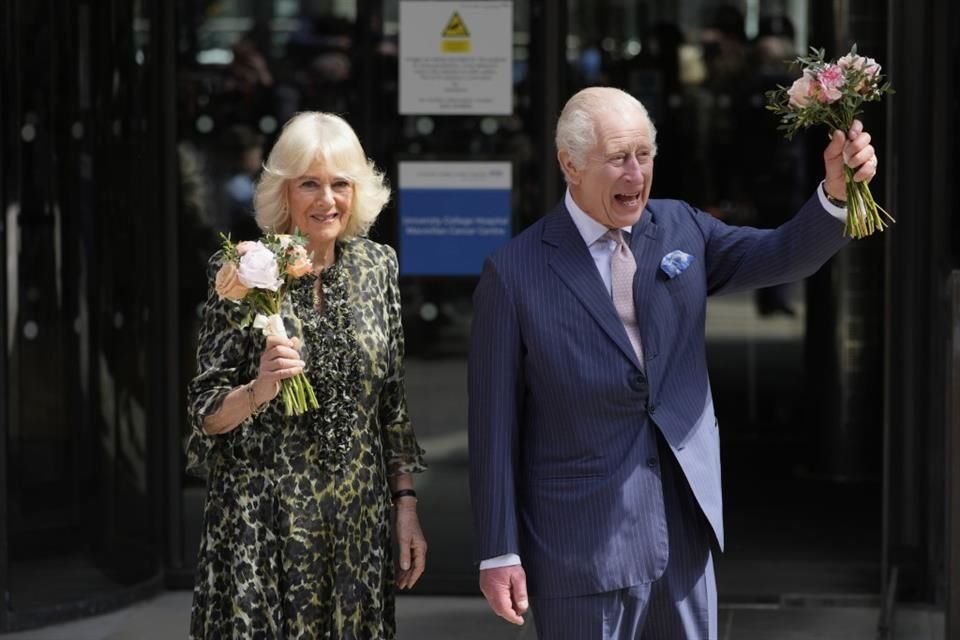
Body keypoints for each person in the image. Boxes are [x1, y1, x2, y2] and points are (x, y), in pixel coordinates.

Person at [468, 86, 878, 639]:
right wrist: (499, 551)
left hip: (682, 525)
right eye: (618, 158)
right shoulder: (514, 272)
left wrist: (835, 195)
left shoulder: (680, 227)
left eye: (644, 154)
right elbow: (493, 426)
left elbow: (783, 254)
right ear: (570, 164)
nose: (636, 174)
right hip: (580, 541)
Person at [186, 111, 427, 639]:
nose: (327, 200)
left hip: (357, 523)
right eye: (309, 184)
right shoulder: (245, 272)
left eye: (341, 184)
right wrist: (259, 389)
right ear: (284, 192)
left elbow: (392, 406)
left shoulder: (378, 267)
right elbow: (205, 411)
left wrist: (405, 505)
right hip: (263, 527)